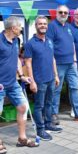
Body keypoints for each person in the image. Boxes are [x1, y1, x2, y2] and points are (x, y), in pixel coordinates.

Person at [47, 5, 78, 124]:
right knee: (57, 89)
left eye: (65, 13)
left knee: (74, 88)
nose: (63, 14)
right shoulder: (52, 26)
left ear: (68, 14)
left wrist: (75, 59)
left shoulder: (68, 27)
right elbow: (49, 46)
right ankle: (54, 114)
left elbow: (72, 43)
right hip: (59, 63)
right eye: (60, 12)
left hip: (71, 63)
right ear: (56, 13)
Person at [0, 16, 38, 147]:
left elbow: (16, 57)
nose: (21, 28)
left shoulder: (16, 39)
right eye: (19, 27)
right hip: (0, 85)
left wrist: (21, 75)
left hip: (12, 82)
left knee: (23, 107)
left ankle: (22, 139)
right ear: (13, 28)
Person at [24, 16, 62, 141]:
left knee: (49, 103)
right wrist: (32, 81)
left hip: (51, 78)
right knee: (39, 106)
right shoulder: (30, 43)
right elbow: (28, 63)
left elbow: (53, 59)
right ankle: (40, 130)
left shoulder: (49, 41)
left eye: (45, 24)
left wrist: (56, 75)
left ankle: (48, 124)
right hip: (39, 80)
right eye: (40, 24)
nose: (43, 26)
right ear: (36, 25)